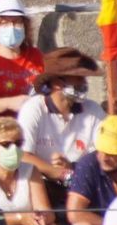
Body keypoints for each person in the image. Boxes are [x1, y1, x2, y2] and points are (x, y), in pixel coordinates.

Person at [17, 48, 106, 186]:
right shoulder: (33, 108)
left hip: (84, 180)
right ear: (57, 83)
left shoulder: (93, 109)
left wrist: (72, 167)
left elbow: (104, 152)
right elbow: (24, 155)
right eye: (78, 78)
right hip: (41, 183)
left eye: (84, 78)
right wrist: (58, 173)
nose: (84, 83)